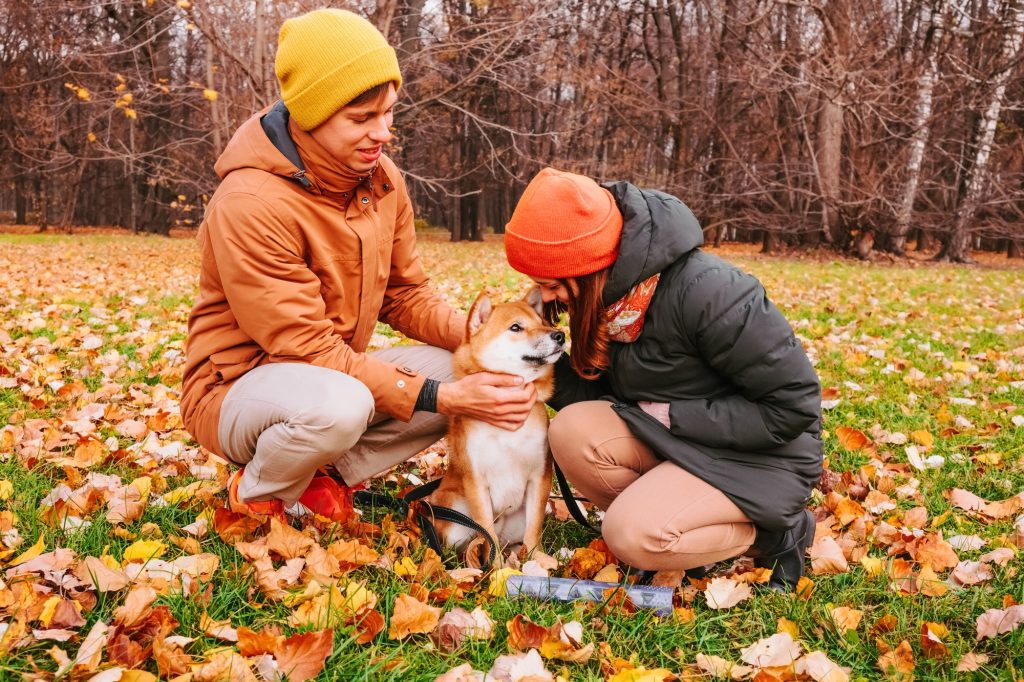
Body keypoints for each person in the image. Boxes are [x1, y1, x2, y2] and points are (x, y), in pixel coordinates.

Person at [181, 8, 536, 521]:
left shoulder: (380, 178)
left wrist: (487, 345)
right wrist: (446, 398)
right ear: (310, 115)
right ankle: (258, 492)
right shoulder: (249, 202)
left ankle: (320, 478)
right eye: (362, 118)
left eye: (389, 112)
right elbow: (306, 347)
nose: (384, 132)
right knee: (344, 405)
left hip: (330, 377)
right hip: (235, 391)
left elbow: (405, 294)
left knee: (467, 364)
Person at [502, 168, 822, 591]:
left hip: (762, 459)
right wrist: (519, 368)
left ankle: (773, 533)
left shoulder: (710, 292)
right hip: (676, 441)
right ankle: (684, 525)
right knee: (571, 431)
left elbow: (792, 407)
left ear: (586, 265)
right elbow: (596, 390)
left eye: (551, 284)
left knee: (630, 536)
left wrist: (673, 417)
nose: (545, 297)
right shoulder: (610, 300)